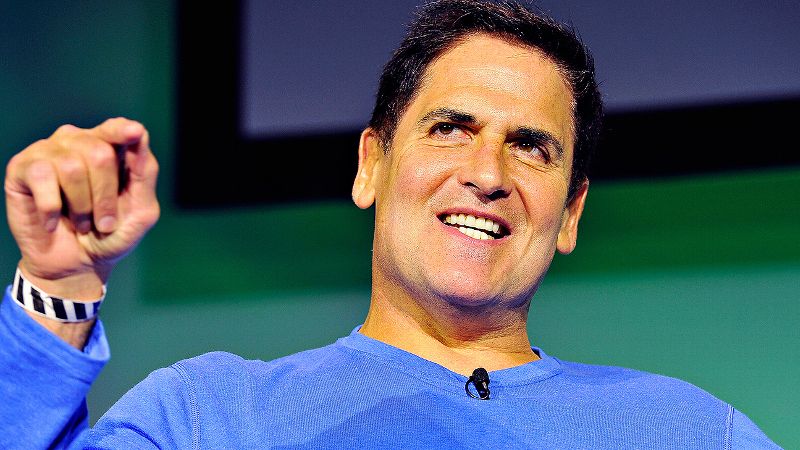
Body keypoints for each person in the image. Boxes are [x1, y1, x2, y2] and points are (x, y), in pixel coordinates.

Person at [0, 0, 780, 448]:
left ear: (570, 213)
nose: (487, 174)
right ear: (371, 164)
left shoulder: (690, 431)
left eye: (530, 148)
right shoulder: (208, 416)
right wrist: (58, 283)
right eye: (451, 129)